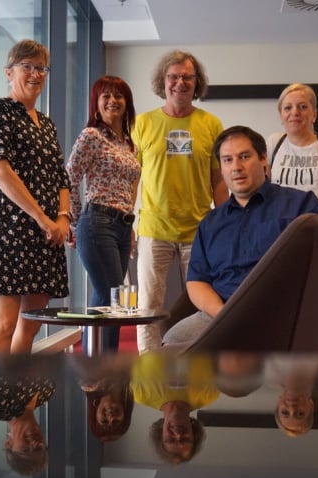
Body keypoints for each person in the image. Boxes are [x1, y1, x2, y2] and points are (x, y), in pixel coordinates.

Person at [162, 126, 318, 344]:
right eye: (227, 160)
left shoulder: (300, 206)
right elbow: (197, 281)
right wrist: (224, 316)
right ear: (221, 168)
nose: (236, 167)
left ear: (263, 159)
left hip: (284, 314)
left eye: (244, 157)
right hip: (222, 314)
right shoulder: (211, 223)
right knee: (174, 341)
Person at [0, 39, 71, 355]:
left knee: (30, 327)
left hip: (46, 235)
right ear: (9, 72)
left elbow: (60, 176)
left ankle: (20, 389)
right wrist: (42, 218)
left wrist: (62, 219)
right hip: (8, 231)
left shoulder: (47, 124)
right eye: (27, 67)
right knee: (3, 325)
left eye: (41, 68)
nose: (35, 74)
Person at [132, 50, 228, 352]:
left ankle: (194, 362)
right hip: (153, 228)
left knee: (200, 302)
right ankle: (149, 365)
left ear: (196, 82)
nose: (180, 82)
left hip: (198, 230)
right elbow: (132, 178)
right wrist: (127, 222)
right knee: (148, 305)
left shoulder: (211, 124)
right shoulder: (143, 123)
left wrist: (225, 224)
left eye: (187, 76)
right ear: (163, 81)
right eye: (173, 76)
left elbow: (219, 180)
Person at [66, 76, 141, 352]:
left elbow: (127, 188)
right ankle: (103, 364)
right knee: (113, 298)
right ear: (96, 104)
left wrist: (129, 225)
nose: (113, 101)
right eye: (105, 96)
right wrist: (74, 222)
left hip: (122, 226)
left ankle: (97, 363)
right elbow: (69, 178)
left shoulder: (128, 144)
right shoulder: (92, 136)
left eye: (118, 96)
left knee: (108, 298)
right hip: (97, 222)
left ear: (127, 103)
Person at [130, 352, 220, 463]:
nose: (178, 435)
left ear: (161, 434)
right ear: (193, 434)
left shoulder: (140, 394)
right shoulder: (210, 394)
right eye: (185, 439)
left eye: (170, 440)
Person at [0, 354, 55, 476]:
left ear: (9, 443)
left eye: (25, 449)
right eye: (39, 449)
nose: (35, 443)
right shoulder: (47, 394)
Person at [266, 83, 318, 195]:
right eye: (288, 108)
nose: (295, 112)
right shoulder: (274, 142)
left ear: (314, 114)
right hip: (281, 207)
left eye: (302, 107)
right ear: (281, 116)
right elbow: (265, 187)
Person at [69, 352, 137, 442]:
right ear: (125, 415)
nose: (111, 418)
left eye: (104, 421)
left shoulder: (87, 381)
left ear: (95, 415)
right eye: (116, 422)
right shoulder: (136, 385)